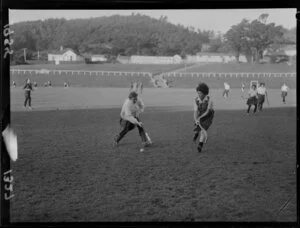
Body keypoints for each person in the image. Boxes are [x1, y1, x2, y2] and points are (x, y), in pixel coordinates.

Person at [193, 83, 215, 153]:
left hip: (208, 116)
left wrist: (199, 118)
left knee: (203, 130)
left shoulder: (209, 100)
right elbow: (195, 111)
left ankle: (200, 145)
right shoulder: (196, 100)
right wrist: (196, 119)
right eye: (198, 93)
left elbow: (208, 112)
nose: (199, 95)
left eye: (200, 93)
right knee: (197, 126)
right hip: (200, 114)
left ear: (205, 93)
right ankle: (196, 133)